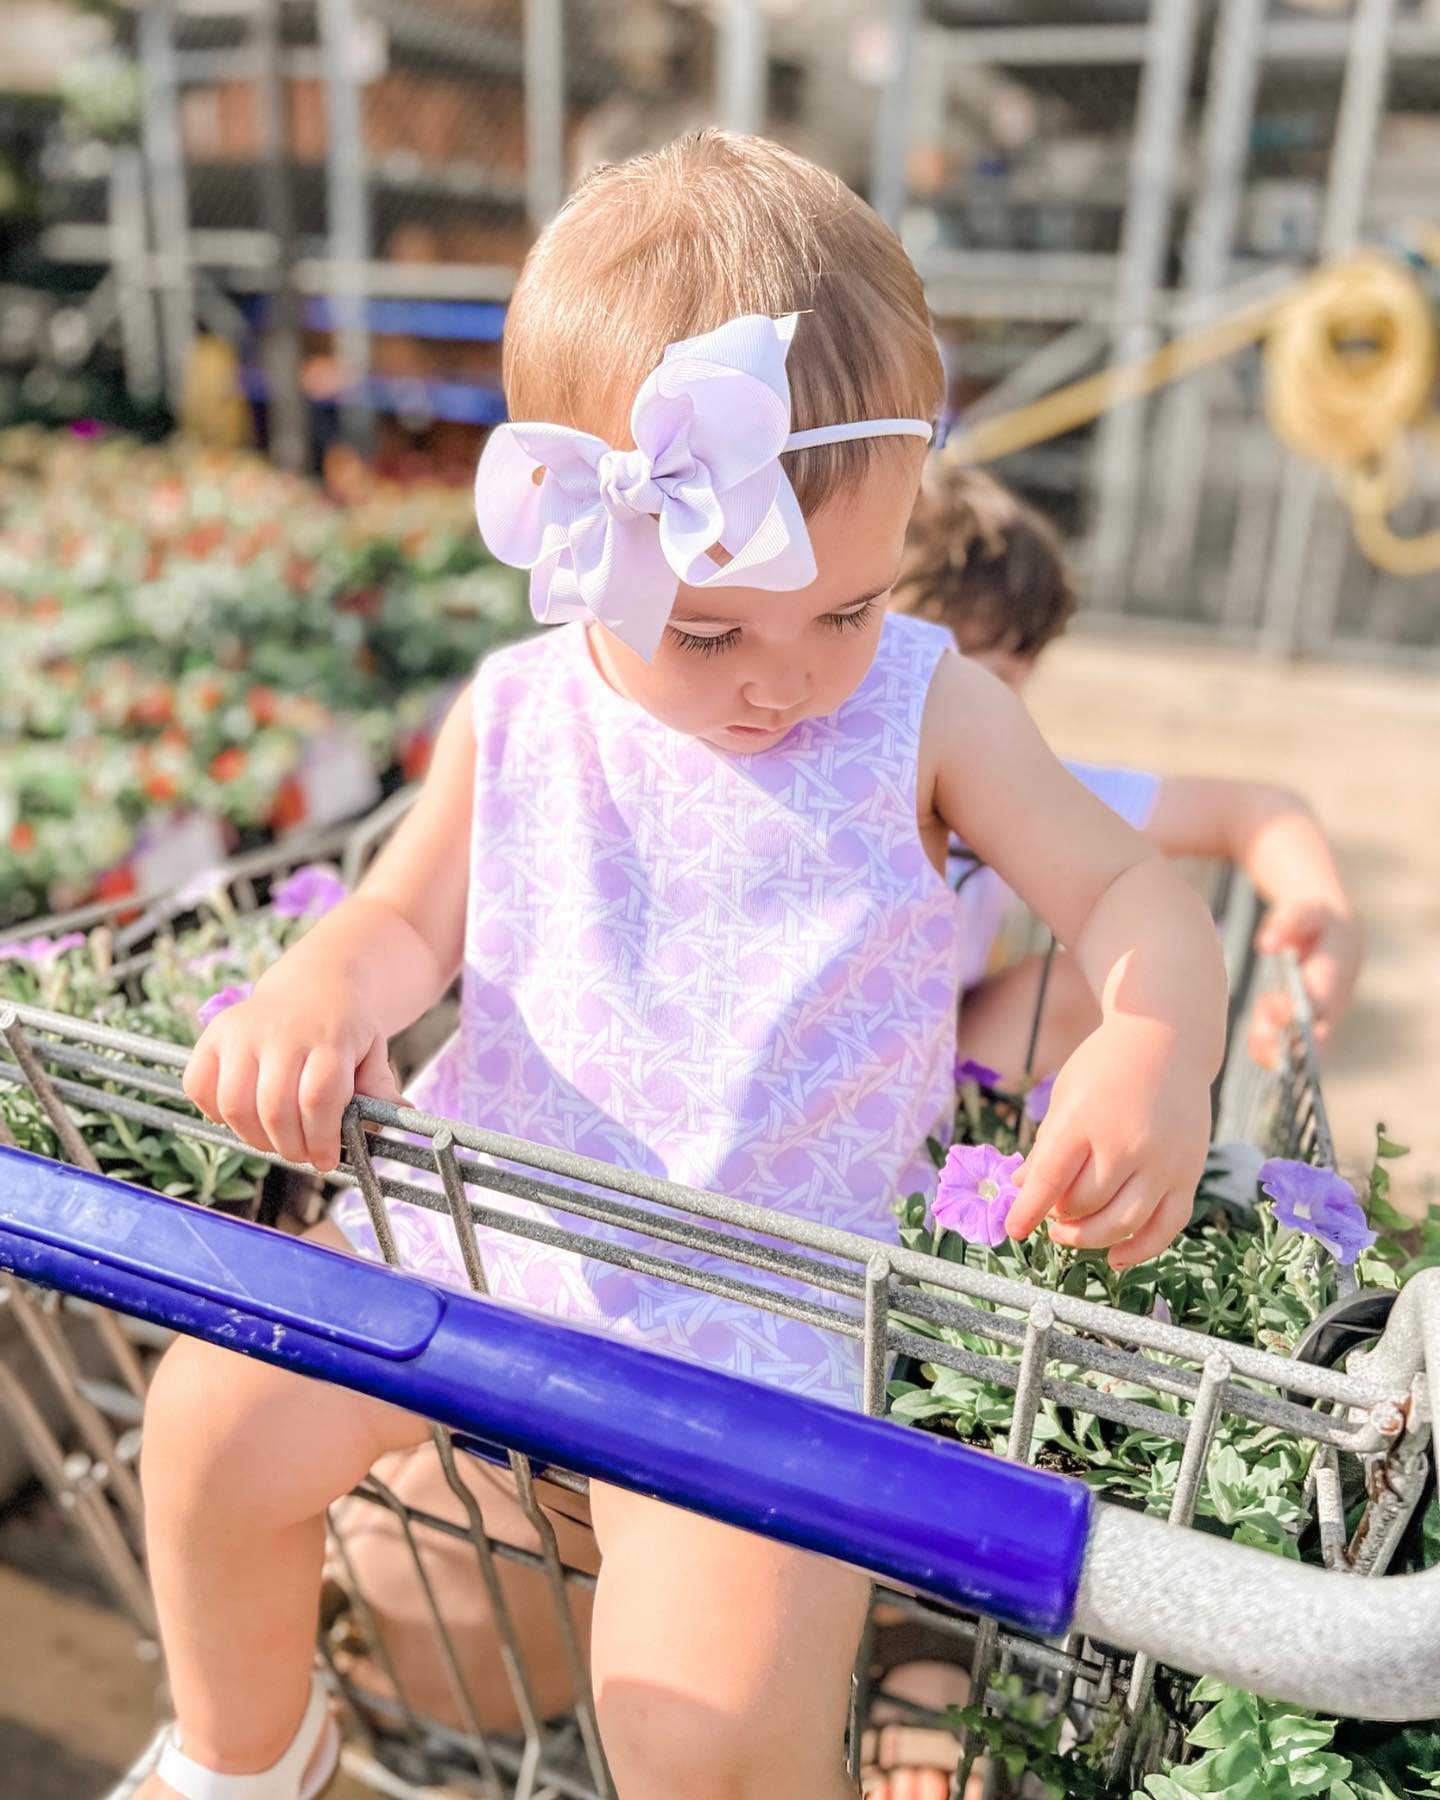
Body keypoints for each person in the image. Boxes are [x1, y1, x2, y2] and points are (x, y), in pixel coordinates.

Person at [115, 132, 1227, 1800]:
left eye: (844, 609)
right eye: (709, 631)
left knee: (696, 1720)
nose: (786, 679)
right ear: (582, 529)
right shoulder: (521, 707)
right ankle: (245, 1758)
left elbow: (1130, 887)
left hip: (764, 1299)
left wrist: (1151, 1044)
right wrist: (320, 988)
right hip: (479, 1210)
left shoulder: (928, 707)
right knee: (207, 1424)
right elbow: (402, 921)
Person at [895, 460, 1363, 1084]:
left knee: (1091, 987)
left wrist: (1322, 908)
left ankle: (975, 1134)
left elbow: (1254, 809)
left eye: (1011, 685)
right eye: (983, 678)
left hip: (930, 1071)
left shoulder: (1012, 786)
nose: (1002, 710)